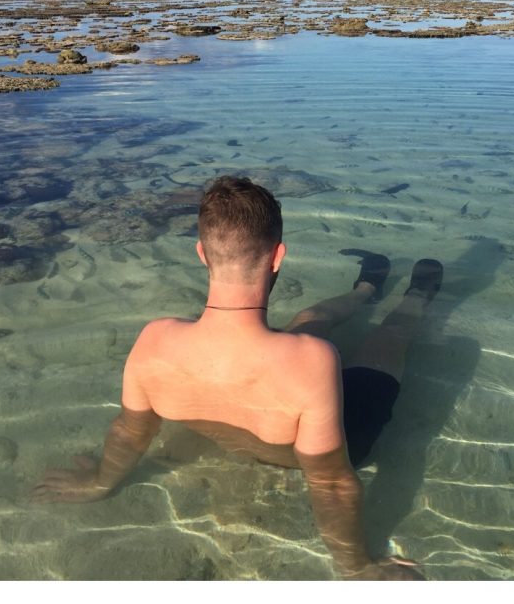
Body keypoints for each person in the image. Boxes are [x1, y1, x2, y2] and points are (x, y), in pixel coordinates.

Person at [30, 175, 442, 581]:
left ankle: (367, 288)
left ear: (202, 254)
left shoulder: (154, 340)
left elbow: (129, 431)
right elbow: (331, 481)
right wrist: (356, 567)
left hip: (269, 416)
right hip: (345, 432)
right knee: (389, 337)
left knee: (307, 320)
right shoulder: (311, 360)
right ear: (278, 257)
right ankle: (416, 296)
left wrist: (102, 482)